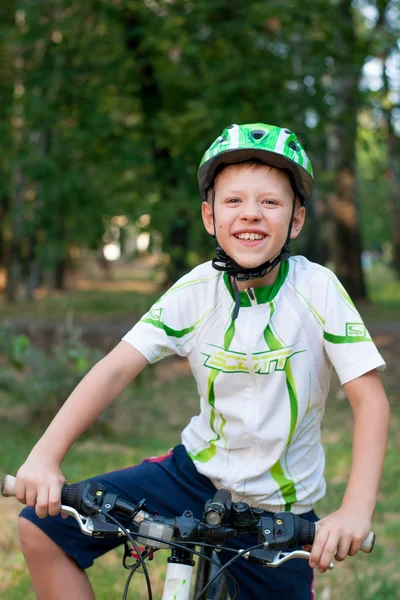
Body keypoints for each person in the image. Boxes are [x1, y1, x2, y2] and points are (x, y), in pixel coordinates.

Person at [16, 123, 390, 600]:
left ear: (296, 221)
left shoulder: (319, 291)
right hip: (193, 479)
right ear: (210, 217)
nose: (250, 213)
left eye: (270, 202)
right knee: (41, 529)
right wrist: (45, 456)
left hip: (280, 511)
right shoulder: (196, 291)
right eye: (233, 201)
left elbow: (371, 402)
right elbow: (114, 370)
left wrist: (356, 508)